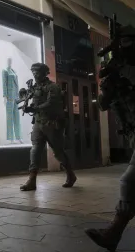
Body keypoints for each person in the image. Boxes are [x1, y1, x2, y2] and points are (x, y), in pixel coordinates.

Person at [85, 61, 135, 251]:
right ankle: (113, 234)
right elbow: (103, 105)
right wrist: (107, 89)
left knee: (129, 182)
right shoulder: (115, 78)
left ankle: (113, 233)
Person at [20, 63, 76, 191]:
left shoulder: (53, 87)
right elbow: (33, 102)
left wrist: (35, 108)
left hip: (52, 124)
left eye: (37, 72)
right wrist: (26, 102)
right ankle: (32, 180)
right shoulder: (34, 88)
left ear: (45, 73)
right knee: (35, 150)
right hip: (39, 123)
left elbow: (52, 103)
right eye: (33, 72)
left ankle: (70, 174)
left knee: (58, 152)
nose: (35, 74)